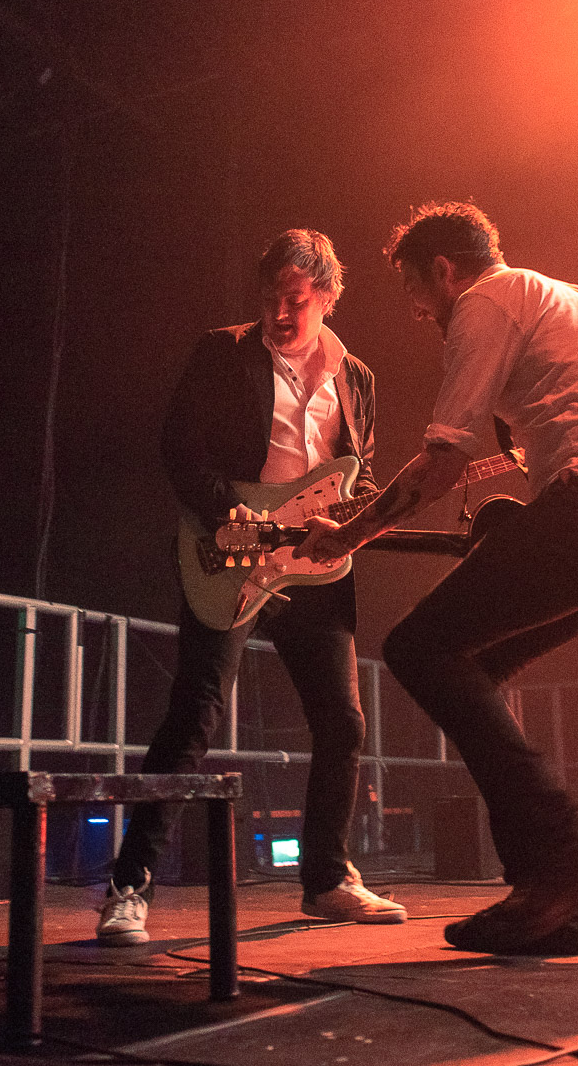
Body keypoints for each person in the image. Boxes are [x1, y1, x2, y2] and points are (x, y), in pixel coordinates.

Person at [297, 202, 578, 956]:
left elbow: (444, 460)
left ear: (444, 270)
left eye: (418, 292)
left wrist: (348, 533)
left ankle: (567, 848)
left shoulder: (486, 302)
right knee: (472, 664)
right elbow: (567, 424)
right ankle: (551, 902)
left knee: (418, 648)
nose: (421, 314)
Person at [97, 229, 406, 944]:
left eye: (295, 299)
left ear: (327, 296)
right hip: (228, 548)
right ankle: (128, 885)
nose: (279, 312)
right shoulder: (223, 352)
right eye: (269, 297)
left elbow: (357, 473)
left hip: (316, 564)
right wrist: (222, 511)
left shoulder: (356, 377)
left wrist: (363, 518)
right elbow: (179, 442)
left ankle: (327, 878)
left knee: (343, 721)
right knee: (194, 715)